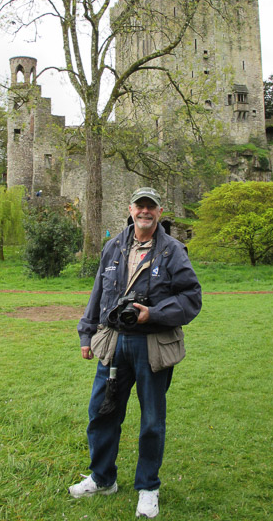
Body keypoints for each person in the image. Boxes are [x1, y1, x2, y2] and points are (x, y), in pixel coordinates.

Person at [69, 187, 202, 518]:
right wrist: (87, 332)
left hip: (152, 345)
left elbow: (191, 298)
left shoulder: (173, 251)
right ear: (130, 209)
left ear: (159, 212)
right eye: (140, 206)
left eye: (150, 207)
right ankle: (102, 478)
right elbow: (98, 291)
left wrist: (152, 314)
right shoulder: (113, 246)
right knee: (102, 411)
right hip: (113, 342)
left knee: (152, 420)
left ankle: (147, 487)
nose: (144, 211)